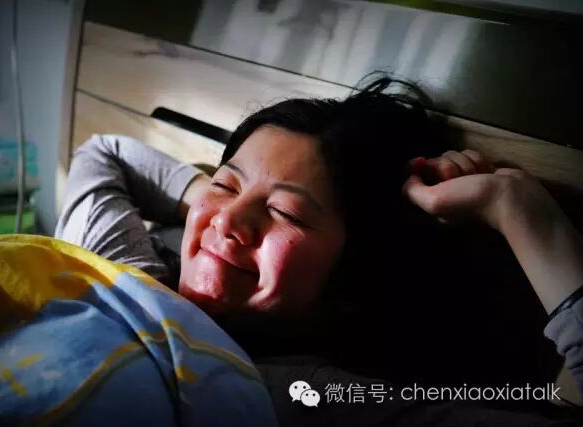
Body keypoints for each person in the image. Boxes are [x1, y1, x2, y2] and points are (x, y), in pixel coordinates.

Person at [53, 77, 583, 425]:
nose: (231, 220)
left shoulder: (308, 399)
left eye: (286, 213)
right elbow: (106, 153)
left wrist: (517, 210)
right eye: (226, 182)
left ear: (354, 278)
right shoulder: (128, 275)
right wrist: (214, 211)